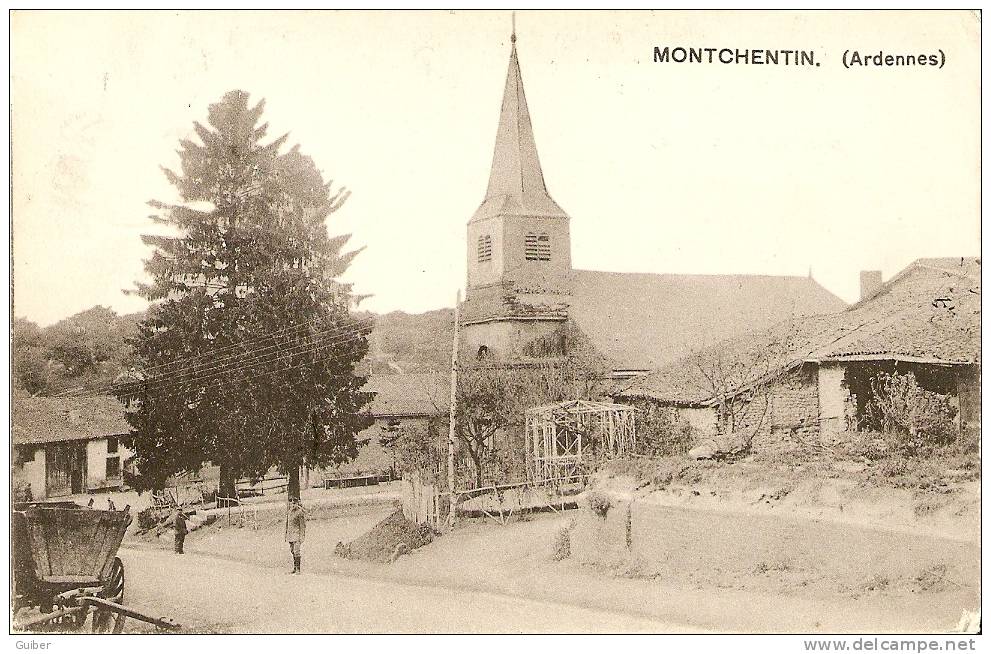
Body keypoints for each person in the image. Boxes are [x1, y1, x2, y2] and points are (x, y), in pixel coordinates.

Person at [285, 499, 306, 574]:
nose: (293, 505)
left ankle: (298, 569)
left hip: (297, 535)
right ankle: (294, 567)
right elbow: (287, 525)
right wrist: (286, 535)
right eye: (291, 503)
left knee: (297, 551)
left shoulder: (300, 513)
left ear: (297, 503)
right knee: (292, 551)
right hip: (290, 535)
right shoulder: (289, 512)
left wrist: (302, 536)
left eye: (294, 503)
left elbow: (302, 525)